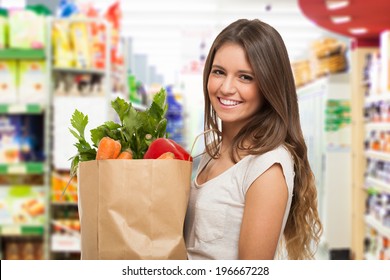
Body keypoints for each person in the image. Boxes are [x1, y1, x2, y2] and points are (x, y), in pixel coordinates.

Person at [184, 19, 322, 260]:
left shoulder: (266, 166)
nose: (226, 88)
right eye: (219, 72)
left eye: (245, 77)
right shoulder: (211, 152)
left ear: (269, 85)